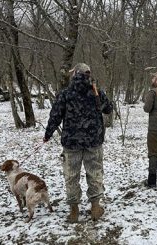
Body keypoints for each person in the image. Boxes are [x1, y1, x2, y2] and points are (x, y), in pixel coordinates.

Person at [43, 63, 113, 223]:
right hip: (93, 142)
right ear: (88, 74)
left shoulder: (66, 93)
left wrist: (48, 134)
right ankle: (95, 207)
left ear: (74, 75)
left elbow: (55, 115)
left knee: (71, 176)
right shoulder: (96, 92)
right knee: (94, 173)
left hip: (71, 143)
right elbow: (109, 109)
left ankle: (74, 211)